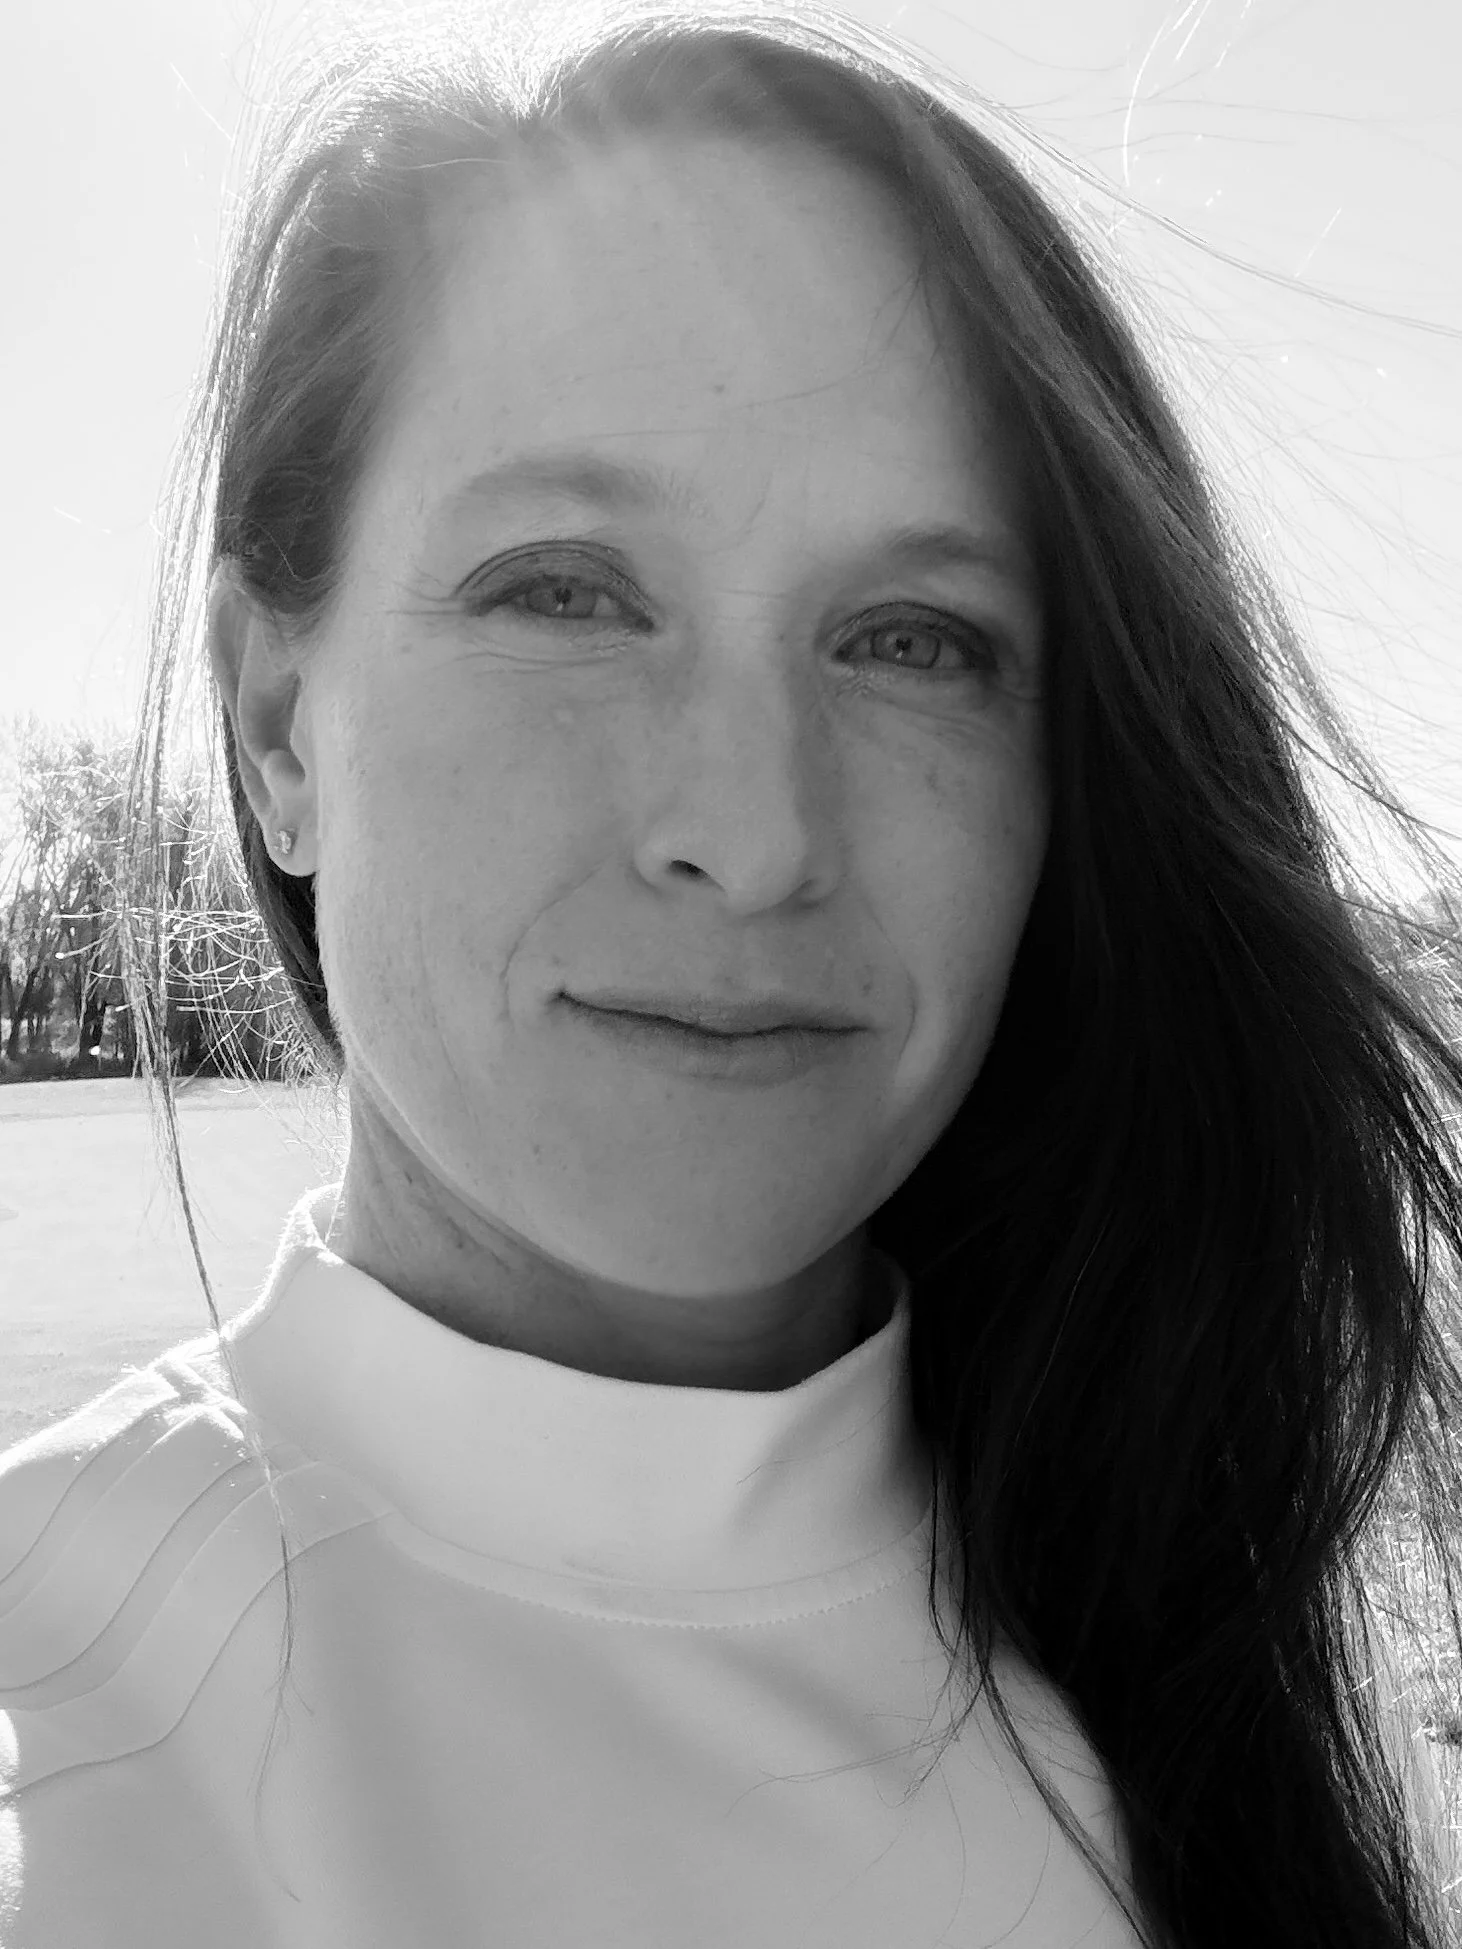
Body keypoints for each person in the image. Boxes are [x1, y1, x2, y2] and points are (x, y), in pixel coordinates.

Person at [2, 1, 1460, 1943]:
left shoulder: (1164, 1605)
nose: (752, 830)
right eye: (566, 589)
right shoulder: (68, 1735)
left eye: (912, 638)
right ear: (278, 721)